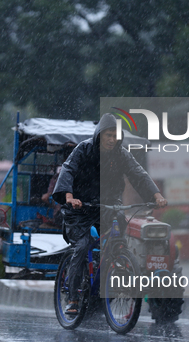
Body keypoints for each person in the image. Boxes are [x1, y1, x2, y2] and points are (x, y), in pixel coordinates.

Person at [51, 113, 167, 315]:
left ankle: (115, 264)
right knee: (83, 244)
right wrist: (69, 197)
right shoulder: (83, 149)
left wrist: (157, 195)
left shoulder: (121, 154)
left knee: (118, 235)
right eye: (109, 135)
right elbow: (68, 170)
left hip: (107, 206)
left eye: (115, 135)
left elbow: (138, 173)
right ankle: (73, 297)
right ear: (99, 135)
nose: (112, 140)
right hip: (79, 209)